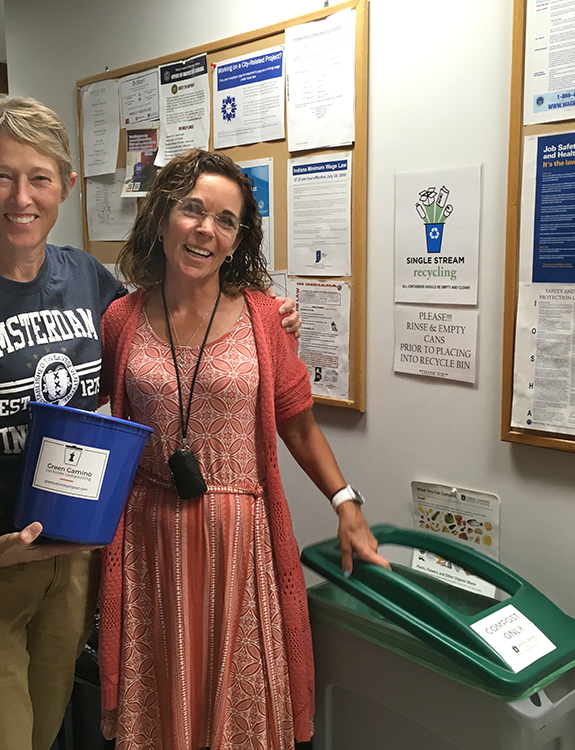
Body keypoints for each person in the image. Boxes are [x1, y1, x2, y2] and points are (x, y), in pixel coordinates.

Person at [0, 96, 299, 750]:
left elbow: (166, 330)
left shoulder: (88, 281)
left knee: (43, 738)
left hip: (67, 569)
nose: (21, 196)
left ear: (68, 183)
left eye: (39, 177)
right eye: (2, 175)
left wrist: (260, 313)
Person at [97, 149, 390, 749]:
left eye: (226, 221)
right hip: (149, 542)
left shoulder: (264, 319)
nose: (207, 229)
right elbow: (103, 420)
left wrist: (346, 502)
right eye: (193, 210)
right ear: (162, 217)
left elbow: (299, 425)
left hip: (242, 546)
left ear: (237, 239)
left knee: (239, 709)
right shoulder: (121, 319)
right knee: (158, 700)